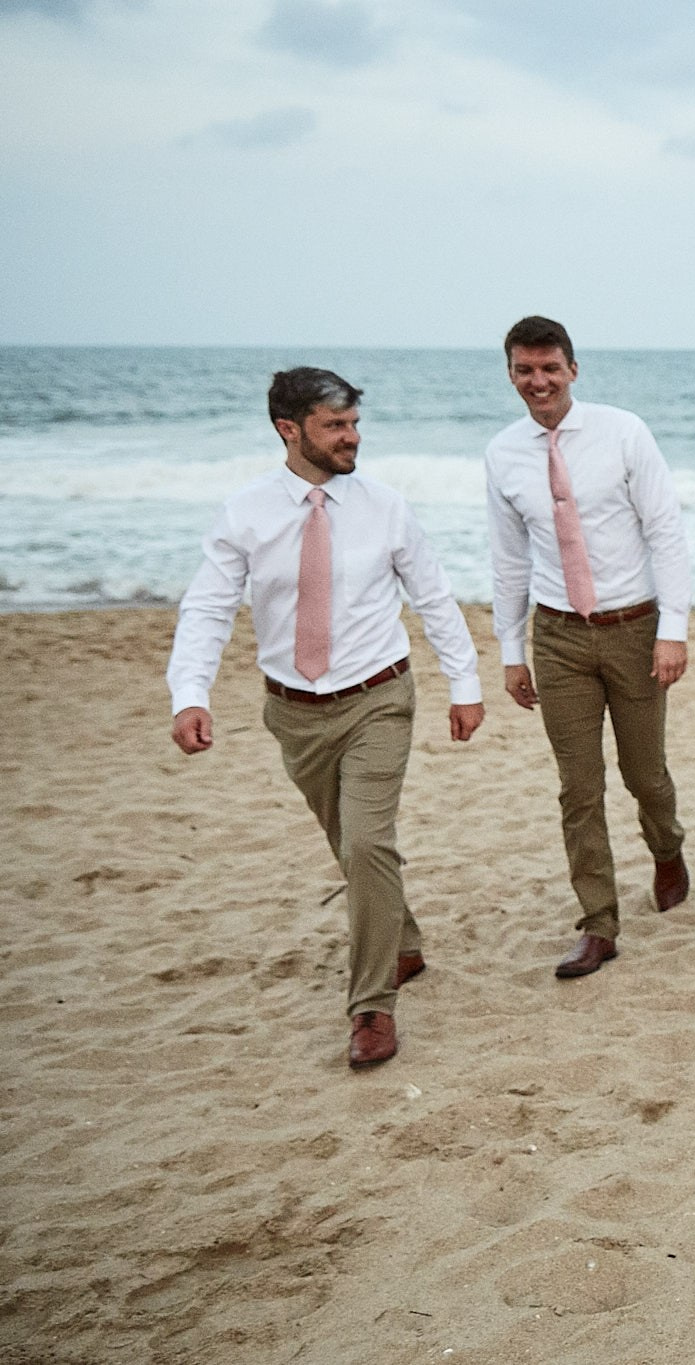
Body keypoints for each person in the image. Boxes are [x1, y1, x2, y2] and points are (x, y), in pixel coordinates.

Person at [167, 367, 484, 1069]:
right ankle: (402, 942)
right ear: (290, 429)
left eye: (355, 424)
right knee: (350, 843)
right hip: (294, 712)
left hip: (379, 696)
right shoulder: (245, 513)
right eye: (336, 425)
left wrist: (465, 683)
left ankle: (372, 1005)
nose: (352, 438)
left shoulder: (386, 506)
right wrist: (189, 692)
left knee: (368, 842)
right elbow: (209, 607)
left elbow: (435, 596)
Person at [485, 316, 692, 979]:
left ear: (573, 370)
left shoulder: (624, 432)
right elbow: (508, 560)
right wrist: (510, 650)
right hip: (558, 637)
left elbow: (665, 530)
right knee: (578, 788)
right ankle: (598, 923)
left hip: (634, 629)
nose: (538, 381)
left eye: (550, 368)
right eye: (525, 369)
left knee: (645, 777)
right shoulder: (503, 454)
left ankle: (667, 848)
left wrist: (674, 629)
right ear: (511, 374)